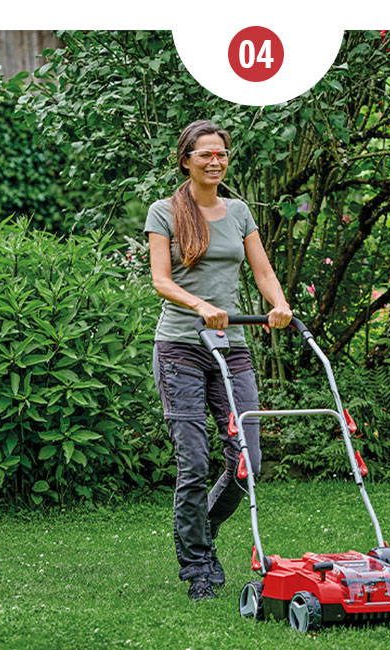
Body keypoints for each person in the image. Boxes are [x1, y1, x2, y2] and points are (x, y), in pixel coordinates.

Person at [145, 120, 292, 601]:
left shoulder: (240, 211)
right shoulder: (164, 212)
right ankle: (198, 567)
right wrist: (201, 306)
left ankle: (199, 531)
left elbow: (263, 269)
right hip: (180, 349)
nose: (215, 161)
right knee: (193, 465)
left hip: (232, 348)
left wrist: (279, 304)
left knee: (247, 460)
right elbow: (162, 281)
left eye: (221, 154)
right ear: (186, 159)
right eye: (205, 154)